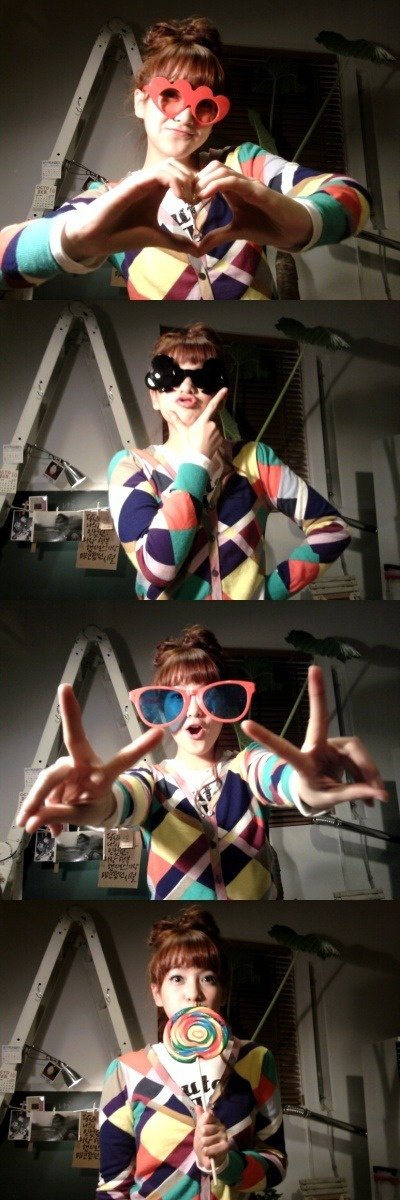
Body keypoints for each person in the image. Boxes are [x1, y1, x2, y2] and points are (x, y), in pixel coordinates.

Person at [0, 18, 370, 301]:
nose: (186, 115)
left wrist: (299, 221)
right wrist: (76, 237)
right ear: (141, 101)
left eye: (204, 104)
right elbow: (4, 260)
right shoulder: (111, 198)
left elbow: (353, 196)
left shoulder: (243, 165)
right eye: (170, 96)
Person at [16, 626, 388, 901]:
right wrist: (99, 802)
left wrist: (303, 784)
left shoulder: (247, 766)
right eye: (175, 699)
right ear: (160, 711)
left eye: (210, 697)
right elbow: (121, 799)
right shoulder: (151, 782)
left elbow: (277, 776)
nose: (194, 711)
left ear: (225, 706)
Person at [108, 323, 351, 600]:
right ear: (154, 396)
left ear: (220, 397)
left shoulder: (255, 461)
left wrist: (270, 592)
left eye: (204, 378)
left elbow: (333, 530)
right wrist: (197, 462)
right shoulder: (131, 467)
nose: (187, 386)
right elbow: (157, 569)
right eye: (170, 376)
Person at [96, 906, 288, 1197]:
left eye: (208, 978)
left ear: (222, 992)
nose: (194, 993)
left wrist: (227, 1163)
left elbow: (277, 1162)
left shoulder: (255, 1060)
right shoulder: (127, 1071)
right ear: (157, 992)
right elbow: (112, 1186)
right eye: (177, 978)